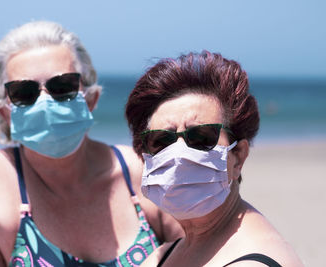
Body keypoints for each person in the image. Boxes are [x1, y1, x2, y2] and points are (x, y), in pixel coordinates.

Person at [0, 21, 182, 266]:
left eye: (62, 87)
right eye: (24, 92)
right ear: (5, 112)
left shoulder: (139, 172)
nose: (45, 102)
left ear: (91, 98)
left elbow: (200, 250)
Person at [125, 51, 304, 266]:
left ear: (237, 157)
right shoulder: (164, 254)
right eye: (161, 141)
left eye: (200, 138)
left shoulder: (253, 261)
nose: (178, 154)